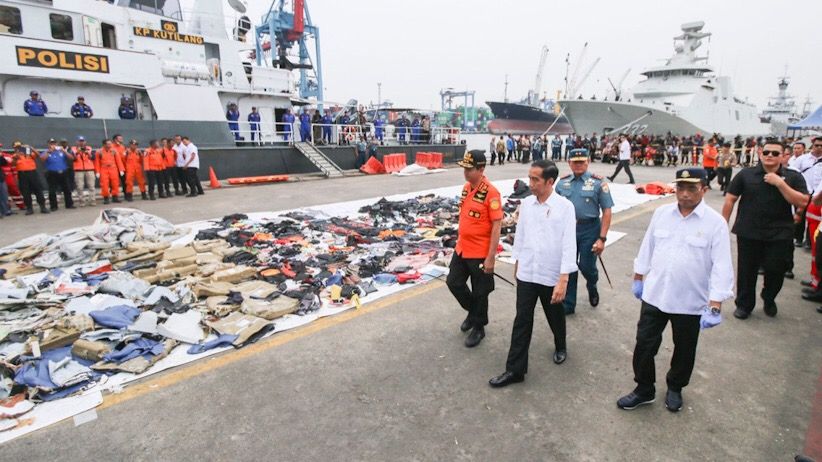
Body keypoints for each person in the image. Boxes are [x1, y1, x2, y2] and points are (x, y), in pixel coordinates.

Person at [617, 167, 734, 412]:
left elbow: (721, 264)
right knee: (644, 344)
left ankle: (675, 387)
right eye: (680, 187)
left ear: (704, 189)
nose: (685, 194)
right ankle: (644, 388)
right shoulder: (662, 213)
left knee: (684, 348)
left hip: (690, 300)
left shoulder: (715, 223)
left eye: (692, 188)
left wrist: (715, 303)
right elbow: (648, 246)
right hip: (655, 294)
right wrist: (639, 275)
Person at [488, 159, 577, 388]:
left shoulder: (565, 207)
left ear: (550, 181)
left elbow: (569, 245)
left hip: (550, 273)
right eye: (529, 178)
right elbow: (521, 234)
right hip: (528, 271)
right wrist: (517, 260)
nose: (531, 183)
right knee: (522, 320)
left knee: (554, 315)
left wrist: (563, 278)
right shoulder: (527, 203)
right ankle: (515, 370)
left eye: (535, 179)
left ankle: (560, 344)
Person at [722, 139, 809, 319]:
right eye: (766, 152)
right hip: (749, 231)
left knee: (776, 270)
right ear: (761, 153)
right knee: (746, 271)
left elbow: (802, 201)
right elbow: (730, 199)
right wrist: (723, 224)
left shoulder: (793, 177)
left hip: (780, 233)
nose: (770, 156)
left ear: (784, 156)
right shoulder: (746, 174)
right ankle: (744, 304)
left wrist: (780, 183)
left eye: (775, 153)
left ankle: (769, 298)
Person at [447, 150, 503, 348]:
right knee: (453, 282)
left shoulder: (492, 193)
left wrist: (491, 258)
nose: (466, 172)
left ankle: (479, 327)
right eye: (464, 168)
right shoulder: (466, 188)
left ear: (481, 169)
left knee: (481, 292)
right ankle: (474, 313)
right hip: (462, 248)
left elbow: (497, 226)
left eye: (470, 169)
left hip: (480, 251)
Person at [556, 149, 613, 314]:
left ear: (588, 162)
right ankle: (568, 303)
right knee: (569, 265)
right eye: (575, 162)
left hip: (590, 228)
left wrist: (602, 238)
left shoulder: (598, 183)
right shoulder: (562, 183)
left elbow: (607, 211)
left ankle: (592, 284)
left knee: (586, 266)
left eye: (582, 162)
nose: (579, 165)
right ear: (569, 163)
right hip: (568, 230)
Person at [11, 142, 48, 214]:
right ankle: (29, 208)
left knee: (38, 190)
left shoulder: (29, 153)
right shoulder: (15, 155)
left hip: (32, 173)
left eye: (20, 147)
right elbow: (13, 164)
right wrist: (16, 158)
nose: (18, 148)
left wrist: (31, 148)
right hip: (22, 174)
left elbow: (38, 155)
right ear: (14, 148)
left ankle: (43, 207)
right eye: (16, 147)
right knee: (26, 192)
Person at [40, 138, 74, 210]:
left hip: (63, 172)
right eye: (51, 143)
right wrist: (49, 152)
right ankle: (54, 206)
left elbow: (71, 158)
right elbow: (42, 159)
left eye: (54, 143)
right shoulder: (46, 152)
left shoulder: (61, 151)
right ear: (48, 144)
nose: (53, 145)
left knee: (67, 189)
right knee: (52, 190)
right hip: (52, 173)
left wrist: (64, 151)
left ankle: (69, 204)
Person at [95, 139, 124, 204]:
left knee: (115, 183)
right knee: (104, 184)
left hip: (113, 168)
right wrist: (97, 172)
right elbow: (97, 163)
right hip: (104, 169)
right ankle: (106, 198)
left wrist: (121, 170)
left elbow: (118, 161)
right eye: (108, 144)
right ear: (104, 144)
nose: (109, 145)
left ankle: (115, 197)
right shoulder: (99, 152)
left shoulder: (114, 151)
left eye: (110, 144)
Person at [71, 136, 96, 206]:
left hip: (89, 169)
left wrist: (87, 153)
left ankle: (92, 200)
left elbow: (93, 158)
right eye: (80, 141)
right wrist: (77, 152)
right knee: (80, 186)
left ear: (85, 142)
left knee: (91, 186)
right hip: (78, 170)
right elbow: (72, 159)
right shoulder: (73, 149)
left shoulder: (89, 148)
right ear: (77, 142)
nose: (81, 142)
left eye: (82, 141)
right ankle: (82, 201)